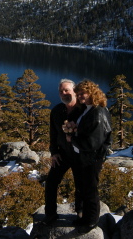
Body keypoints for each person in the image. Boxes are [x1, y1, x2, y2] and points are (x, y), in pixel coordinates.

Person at [71, 79, 112, 234]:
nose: (80, 96)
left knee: (90, 190)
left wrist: (72, 138)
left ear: (92, 93)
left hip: (92, 158)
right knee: (83, 188)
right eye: (78, 94)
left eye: (83, 93)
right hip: (85, 157)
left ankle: (91, 221)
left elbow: (92, 143)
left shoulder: (98, 112)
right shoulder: (88, 109)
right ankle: (85, 218)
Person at [43, 79, 85, 224]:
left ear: (75, 91)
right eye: (61, 91)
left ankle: (80, 213)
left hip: (80, 154)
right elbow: (53, 134)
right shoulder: (56, 111)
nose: (63, 93)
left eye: (67, 90)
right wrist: (54, 152)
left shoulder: (84, 110)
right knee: (51, 183)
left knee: (80, 184)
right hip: (63, 154)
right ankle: (50, 214)